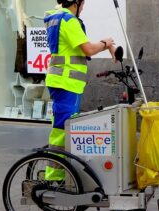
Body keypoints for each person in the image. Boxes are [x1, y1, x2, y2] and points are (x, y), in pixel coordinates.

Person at [44, 0, 117, 180]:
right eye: (82, 4)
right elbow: (88, 50)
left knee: (62, 128)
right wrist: (106, 43)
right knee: (61, 130)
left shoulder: (55, 16)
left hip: (62, 81)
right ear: (75, 3)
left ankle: (59, 174)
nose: (83, 8)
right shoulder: (68, 20)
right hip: (66, 82)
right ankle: (53, 178)